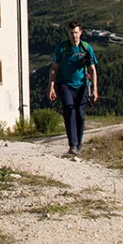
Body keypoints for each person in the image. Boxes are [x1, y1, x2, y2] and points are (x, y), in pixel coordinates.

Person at [47, 21, 98, 156]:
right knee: (70, 110)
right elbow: (54, 69)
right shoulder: (62, 48)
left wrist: (94, 90)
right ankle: (73, 145)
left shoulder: (86, 48)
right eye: (71, 33)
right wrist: (51, 87)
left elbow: (92, 69)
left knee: (80, 115)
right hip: (64, 84)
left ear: (80, 32)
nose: (74, 36)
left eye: (76, 32)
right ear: (68, 33)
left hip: (82, 85)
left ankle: (78, 144)